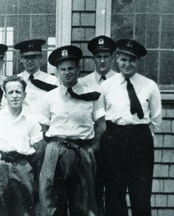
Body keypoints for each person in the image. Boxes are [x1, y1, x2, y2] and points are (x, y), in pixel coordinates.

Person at [39, 45, 106, 216]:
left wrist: (91, 148)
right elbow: (43, 127)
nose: (67, 72)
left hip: (82, 151)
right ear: (57, 72)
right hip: (56, 151)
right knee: (53, 203)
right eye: (63, 69)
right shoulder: (49, 97)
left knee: (84, 205)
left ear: (77, 70)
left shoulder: (92, 95)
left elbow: (100, 125)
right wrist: (54, 148)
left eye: (71, 68)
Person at [100, 39, 162, 216]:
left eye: (132, 60)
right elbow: (101, 116)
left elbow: (156, 119)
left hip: (140, 140)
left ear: (138, 62)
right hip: (114, 138)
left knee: (141, 193)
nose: (127, 64)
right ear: (117, 59)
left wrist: (141, 137)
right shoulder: (107, 86)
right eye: (123, 59)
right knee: (114, 192)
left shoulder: (150, 86)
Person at [0, 75, 44, 216]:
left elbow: (39, 149)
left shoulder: (31, 121)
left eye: (18, 92)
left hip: (22, 166)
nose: (14, 96)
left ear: (24, 95)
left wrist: (25, 164)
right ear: (5, 95)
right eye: (11, 92)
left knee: (24, 209)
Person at [79, 35, 117, 216]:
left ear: (112, 58)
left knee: (113, 191)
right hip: (92, 143)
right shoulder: (84, 83)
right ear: (93, 58)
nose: (102, 60)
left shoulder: (119, 81)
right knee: (91, 191)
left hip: (115, 141)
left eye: (106, 56)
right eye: (98, 56)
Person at [14, 39, 58, 114]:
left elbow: (57, 107)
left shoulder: (52, 81)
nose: (30, 61)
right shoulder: (15, 81)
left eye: (33, 57)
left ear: (40, 58)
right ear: (21, 59)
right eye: (26, 57)